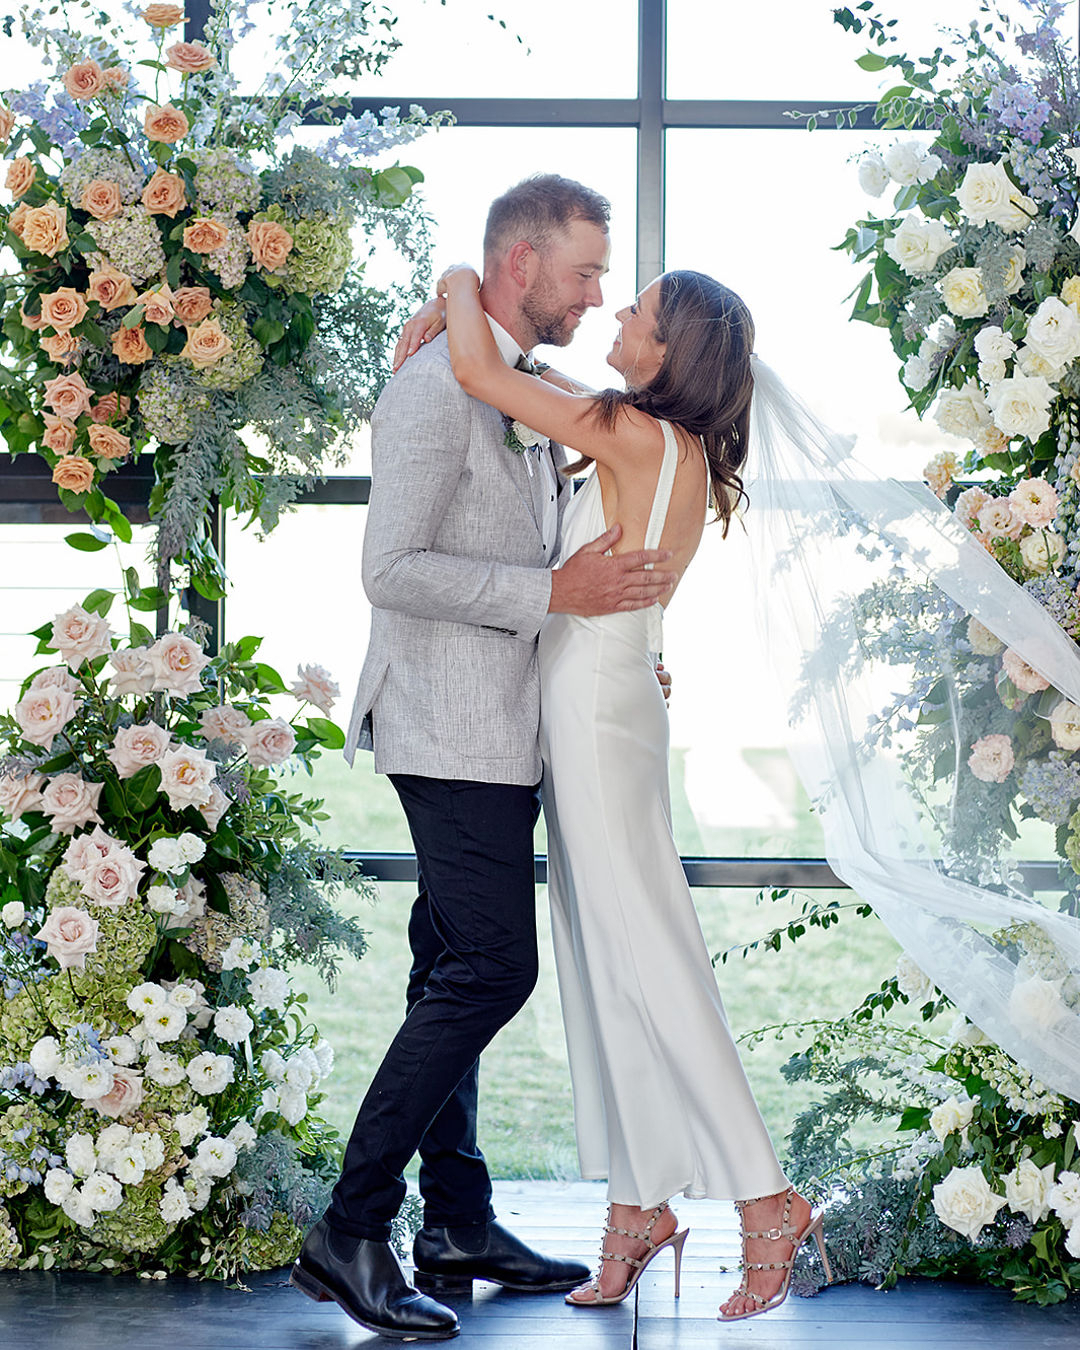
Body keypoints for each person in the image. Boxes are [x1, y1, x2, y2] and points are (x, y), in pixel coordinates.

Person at [289, 175, 678, 1342]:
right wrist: (554, 594)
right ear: (522, 265)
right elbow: (391, 569)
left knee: (449, 966)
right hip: (448, 729)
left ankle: (456, 1223)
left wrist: (606, 642)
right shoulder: (432, 386)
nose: (597, 294)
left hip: (508, 730)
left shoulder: (507, 375)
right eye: (585, 271)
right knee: (492, 970)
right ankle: (351, 1227)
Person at [426, 262, 833, 1323]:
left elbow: (481, 371)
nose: (616, 310)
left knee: (649, 956)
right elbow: (544, 389)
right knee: (607, 960)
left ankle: (767, 1199)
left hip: (599, 713)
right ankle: (637, 1207)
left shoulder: (630, 433)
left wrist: (458, 278)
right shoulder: (660, 442)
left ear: (669, 351)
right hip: (602, 704)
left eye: (638, 309)